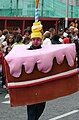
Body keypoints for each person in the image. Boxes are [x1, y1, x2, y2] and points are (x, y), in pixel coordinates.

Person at [27, 21, 46, 120]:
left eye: (38, 39)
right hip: (31, 83)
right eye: (34, 39)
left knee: (41, 106)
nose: (36, 41)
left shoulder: (45, 51)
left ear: (41, 40)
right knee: (31, 107)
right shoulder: (27, 51)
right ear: (31, 40)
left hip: (42, 83)